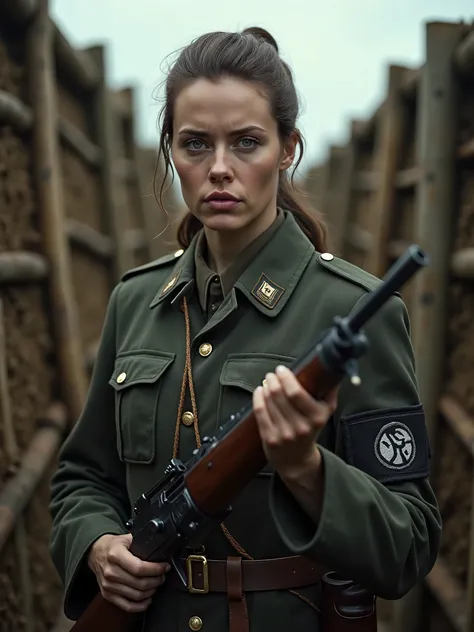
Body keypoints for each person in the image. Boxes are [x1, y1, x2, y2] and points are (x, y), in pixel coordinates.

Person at [49, 26, 441, 632]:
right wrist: (99, 545)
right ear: (169, 150)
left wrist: (307, 469)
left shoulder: (358, 310)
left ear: (289, 149)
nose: (220, 169)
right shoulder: (135, 301)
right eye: (196, 144)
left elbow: (409, 544)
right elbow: (83, 477)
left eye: (248, 143)